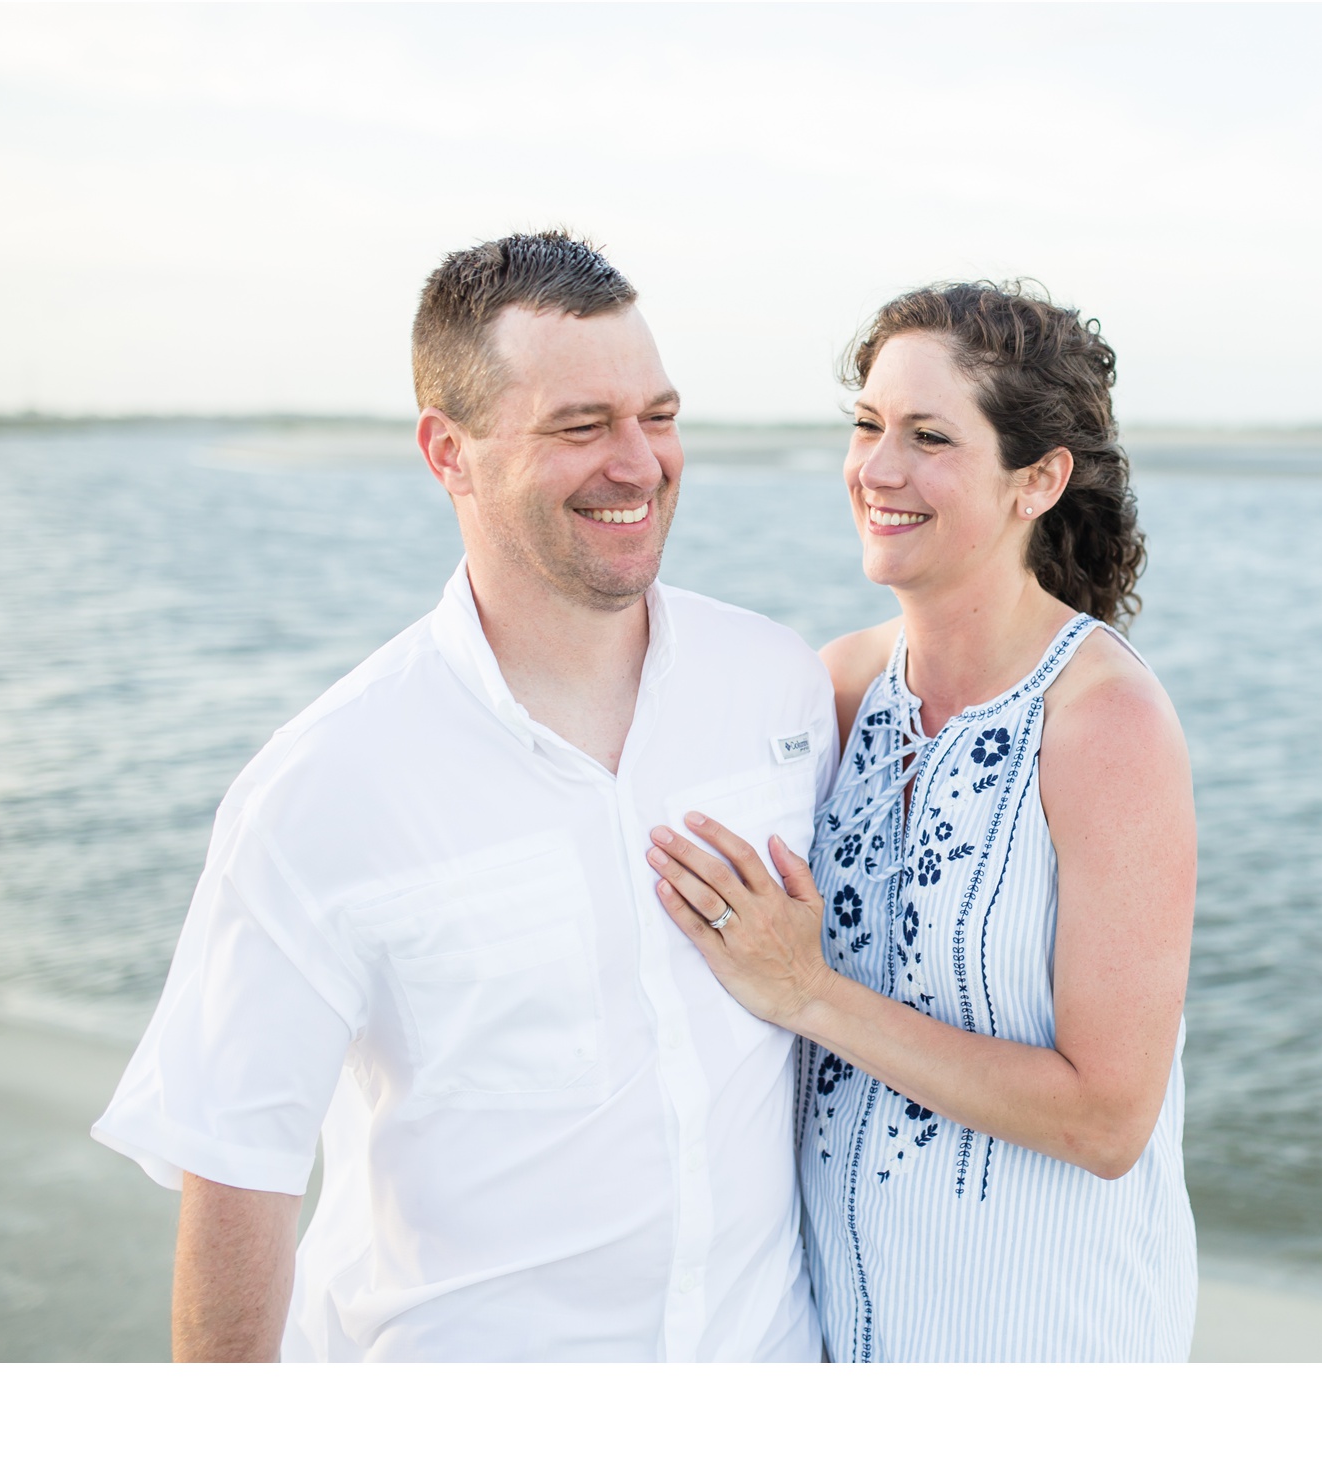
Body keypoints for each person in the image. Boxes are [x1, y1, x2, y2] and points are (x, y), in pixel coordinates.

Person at [92, 232, 835, 1362]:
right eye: (580, 427)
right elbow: (238, 1177)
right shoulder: (323, 788)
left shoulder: (777, 685)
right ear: (450, 452)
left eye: (658, 415)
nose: (638, 463)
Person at [647, 281, 1198, 1361]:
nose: (877, 470)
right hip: (836, 1348)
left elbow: (1106, 1120)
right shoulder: (835, 688)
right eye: (866, 426)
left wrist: (808, 991)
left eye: (928, 437)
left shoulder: (1102, 724)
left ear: (1036, 479)